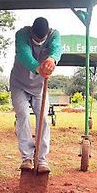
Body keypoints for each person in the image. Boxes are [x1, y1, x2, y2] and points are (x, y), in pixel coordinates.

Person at [10, 16, 61, 173]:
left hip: (40, 86)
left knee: (44, 118)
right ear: (31, 31)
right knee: (23, 115)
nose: (39, 42)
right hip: (19, 83)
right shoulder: (22, 34)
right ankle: (27, 157)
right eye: (36, 39)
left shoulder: (54, 35)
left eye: (42, 39)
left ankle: (41, 159)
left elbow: (57, 49)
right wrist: (38, 68)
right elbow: (23, 54)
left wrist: (52, 60)